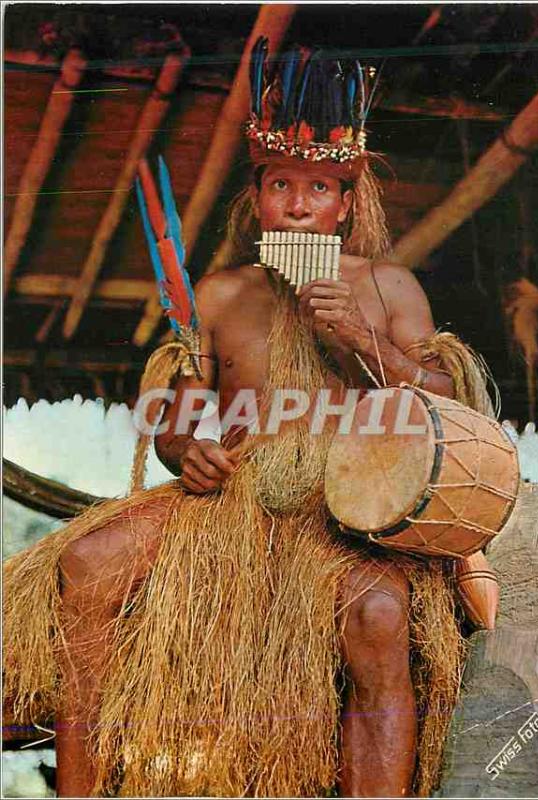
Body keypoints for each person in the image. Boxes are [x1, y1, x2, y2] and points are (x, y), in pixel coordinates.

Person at [4, 41, 495, 798]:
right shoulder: (223, 294)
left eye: (319, 188)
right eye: (281, 185)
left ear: (345, 201)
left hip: (345, 511)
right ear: (257, 197)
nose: (298, 204)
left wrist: (362, 343)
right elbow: (178, 408)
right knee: (88, 564)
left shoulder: (388, 287)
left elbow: (449, 408)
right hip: (231, 500)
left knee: (379, 615)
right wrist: (183, 449)